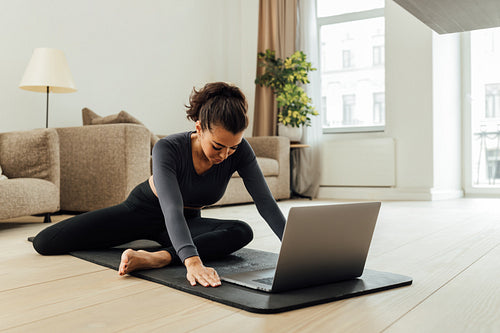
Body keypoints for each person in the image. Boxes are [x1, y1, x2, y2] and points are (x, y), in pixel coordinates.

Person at [33, 82, 286, 288]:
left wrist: (294, 246)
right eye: (218, 146)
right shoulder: (168, 148)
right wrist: (192, 260)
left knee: (241, 231)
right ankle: (171, 253)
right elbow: (171, 207)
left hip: (185, 222)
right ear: (199, 128)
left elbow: (265, 203)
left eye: (232, 148)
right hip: (142, 212)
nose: (224, 155)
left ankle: (158, 257)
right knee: (46, 242)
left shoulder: (239, 150)